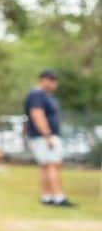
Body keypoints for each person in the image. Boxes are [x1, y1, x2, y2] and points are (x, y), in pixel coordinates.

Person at [24, 69, 75, 206]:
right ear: (42, 80)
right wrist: (47, 135)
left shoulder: (45, 96)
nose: (54, 83)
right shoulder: (37, 95)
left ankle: (47, 197)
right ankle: (58, 197)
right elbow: (37, 114)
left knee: (46, 166)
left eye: (55, 80)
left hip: (44, 136)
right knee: (53, 165)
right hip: (44, 137)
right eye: (51, 80)